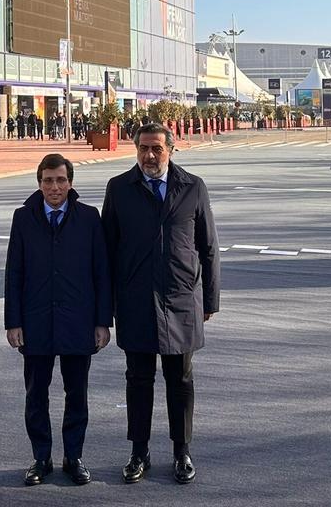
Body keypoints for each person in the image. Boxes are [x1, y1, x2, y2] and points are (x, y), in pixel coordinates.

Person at [101, 122, 220, 485]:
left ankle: (181, 451)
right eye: (143, 149)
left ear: (171, 149)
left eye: (157, 148)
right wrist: (106, 306)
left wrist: (209, 299)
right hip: (135, 299)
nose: (150, 156)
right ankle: (139, 452)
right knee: (138, 379)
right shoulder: (119, 188)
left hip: (181, 299)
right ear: (135, 150)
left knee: (180, 379)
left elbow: (208, 247)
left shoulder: (193, 187)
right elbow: (106, 250)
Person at [5, 154, 112, 487]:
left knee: (76, 393)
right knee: (36, 394)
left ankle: (73, 457)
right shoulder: (23, 218)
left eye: (61, 180)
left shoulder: (89, 218)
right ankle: (41, 458)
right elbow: (14, 273)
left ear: (70, 183)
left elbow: (101, 273)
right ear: (39, 182)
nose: (54, 187)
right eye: (48, 180)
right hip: (35, 321)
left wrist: (101, 321)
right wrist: (13, 321)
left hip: (78, 320)